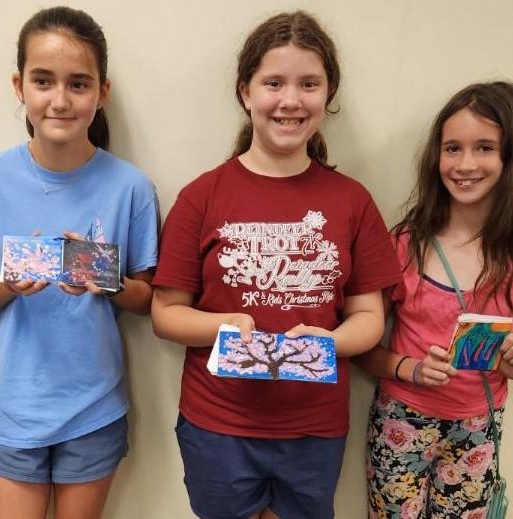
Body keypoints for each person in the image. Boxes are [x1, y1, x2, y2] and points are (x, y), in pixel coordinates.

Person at [150, 11, 402, 519]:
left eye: (309, 84)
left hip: (314, 427)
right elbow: (165, 313)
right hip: (217, 422)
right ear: (246, 92)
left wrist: (329, 341)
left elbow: (370, 319)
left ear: (328, 96)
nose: (291, 100)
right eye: (274, 83)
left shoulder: (352, 200)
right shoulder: (202, 196)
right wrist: (224, 324)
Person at [0, 6, 159, 519]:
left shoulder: (131, 187)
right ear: (20, 85)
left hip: (94, 406)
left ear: (101, 92)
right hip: (13, 407)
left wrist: (101, 278)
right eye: (43, 80)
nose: (60, 100)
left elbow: (148, 299)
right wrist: (6, 286)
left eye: (78, 84)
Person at [354, 81, 513, 518]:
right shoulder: (404, 244)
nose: (465, 164)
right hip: (401, 419)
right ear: (436, 156)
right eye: (452, 148)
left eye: (485, 147)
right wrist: (409, 367)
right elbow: (361, 348)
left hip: (479, 425)